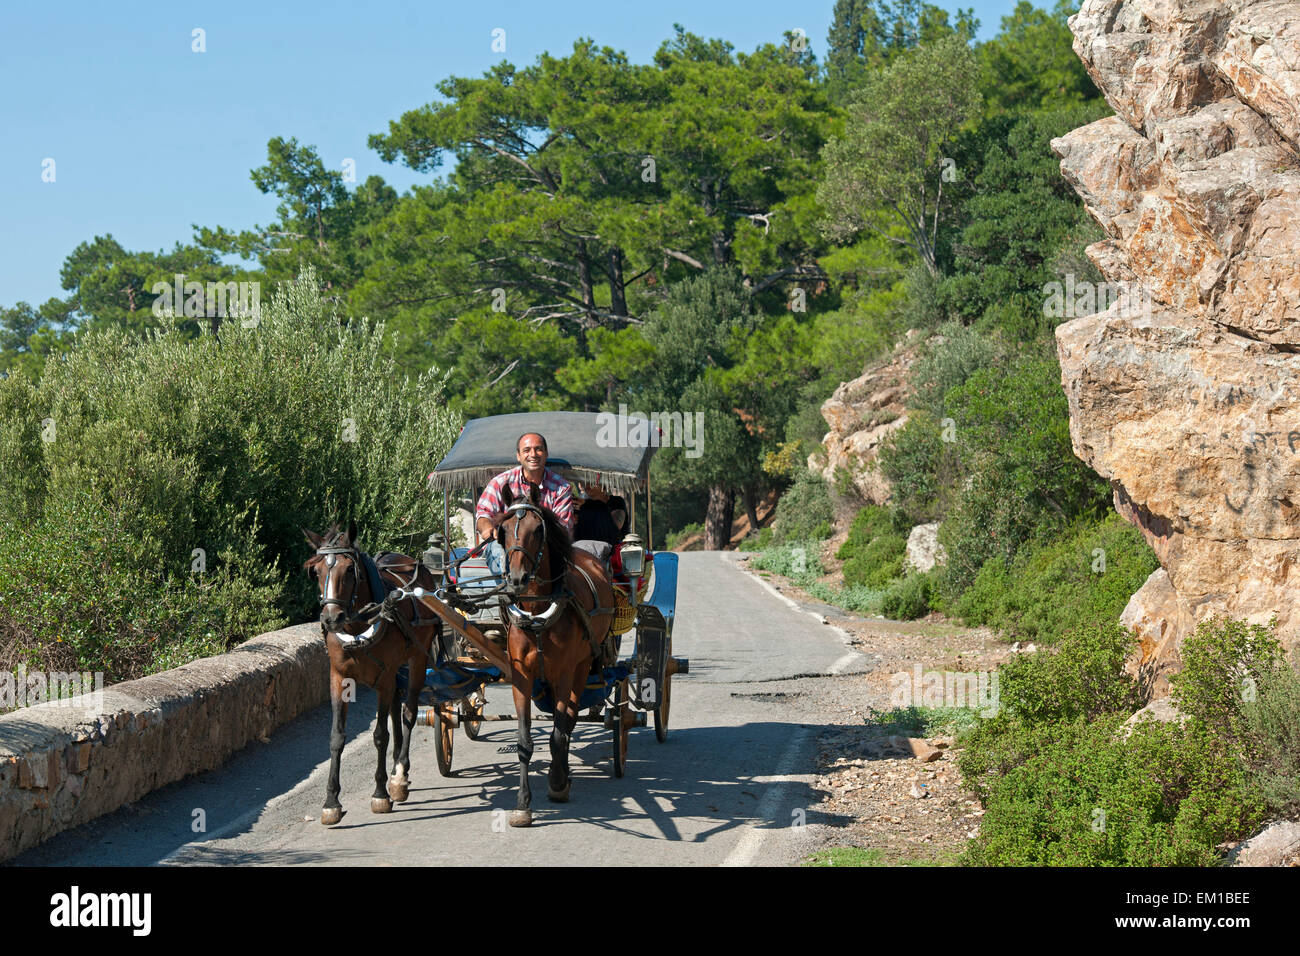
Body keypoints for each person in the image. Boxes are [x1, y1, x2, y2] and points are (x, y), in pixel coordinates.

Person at [474, 432, 574, 581]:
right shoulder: (500, 482)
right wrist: (488, 528)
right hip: (503, 547)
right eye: (526, 450)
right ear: (518, 456)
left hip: (543, 551)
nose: (533, 454)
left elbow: (562, 528)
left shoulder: (561, 487)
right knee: (496, 551)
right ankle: (507, 592)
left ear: (546, 454)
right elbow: (483, 514)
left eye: (538, 449)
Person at [572, 478, 628, 548]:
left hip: (613, 552)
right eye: (585, 480)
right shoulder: (583, 506)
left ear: (604, 484)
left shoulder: (616, 501)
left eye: (592, 481)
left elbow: (616, 524)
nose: (587, 484)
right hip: (588, 550)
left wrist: (588, 505)